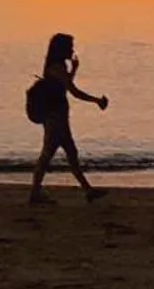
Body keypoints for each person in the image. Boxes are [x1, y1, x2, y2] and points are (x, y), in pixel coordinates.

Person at [28, 31, 108, 203]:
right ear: (62, 48)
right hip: (55, 117)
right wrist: (96, 100)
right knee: (49, 154)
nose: (72, 49)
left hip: (58, 116)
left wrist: (74, 69)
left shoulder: (57, 67)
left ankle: (88, 191)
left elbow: (65, 85)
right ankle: (35, 193)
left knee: (69, 153)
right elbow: (74, 91)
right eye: (70, 46)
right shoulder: (56, 67)